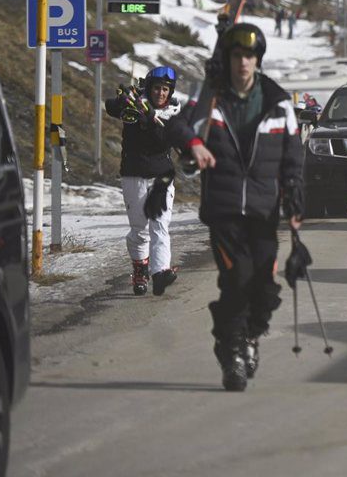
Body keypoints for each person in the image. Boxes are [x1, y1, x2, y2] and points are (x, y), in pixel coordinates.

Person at [172, 23, 305, 392]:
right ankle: (231, 349)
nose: (243, 62)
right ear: (228, 59)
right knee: (237, 279)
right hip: (224, 209)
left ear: (257, 60)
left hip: (265, 211)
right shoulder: (211, 98)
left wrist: (295, 195)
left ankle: (251, 335)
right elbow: (177, 126)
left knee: (264, 286)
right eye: (236, 55)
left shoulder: (278, 102)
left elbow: (293, 155)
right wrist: (195, 143)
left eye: (249, 56)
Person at [104, 66, 183, 297]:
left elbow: (162, 140)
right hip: (133, 173)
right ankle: (140, 271)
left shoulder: (173, 113)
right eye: (157, 88)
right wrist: (122, 100)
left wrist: (150, 118)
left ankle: (160, 273)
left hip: (162, 176)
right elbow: (110, 107)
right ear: (150, 88)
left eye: (165, 90)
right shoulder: (134, 104)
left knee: (160, 224)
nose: (161, 93)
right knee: (140, 230)